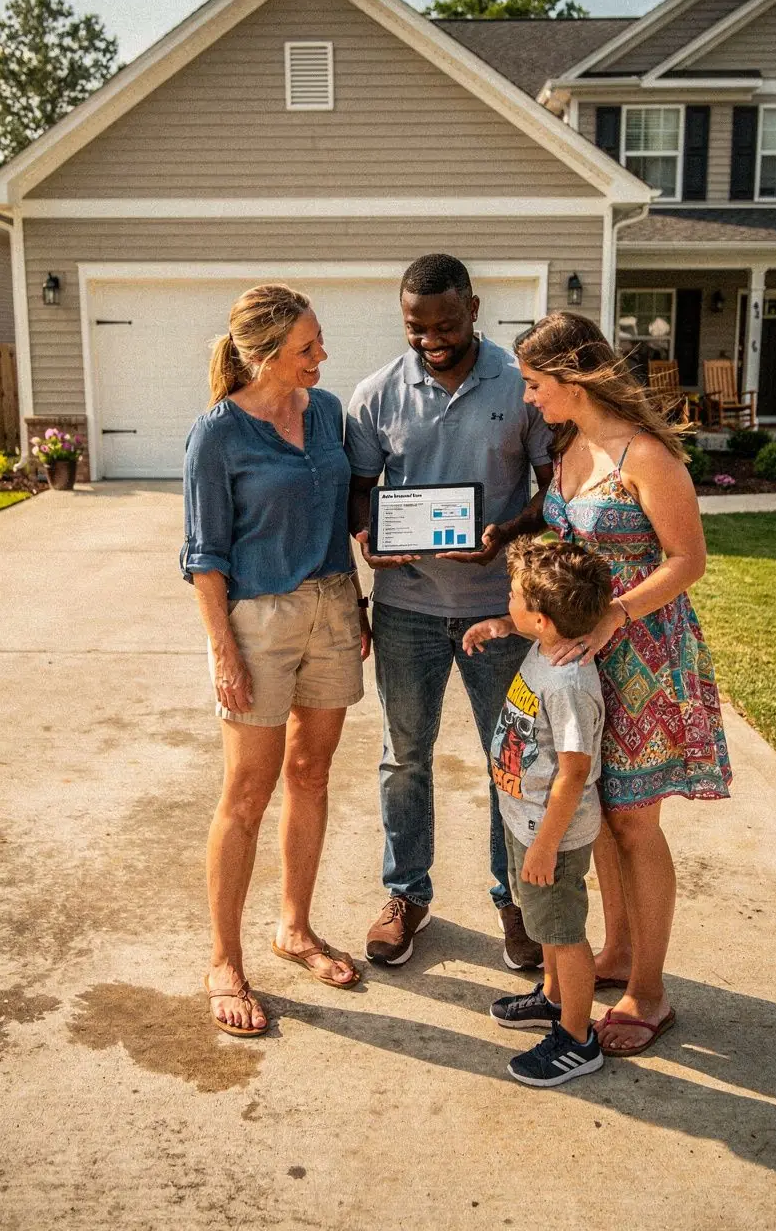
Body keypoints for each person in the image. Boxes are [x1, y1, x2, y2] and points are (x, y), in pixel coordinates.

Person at [513, 310, 731, 1055]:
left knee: (637, 823)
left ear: (573, 380)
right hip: (584, 664)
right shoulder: (570, 447)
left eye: (536, 384)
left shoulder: (648, 456)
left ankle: (651, 990)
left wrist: (616, 616)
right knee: (600, 815)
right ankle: (614, 953)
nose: (529, 398)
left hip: (642, 657)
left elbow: (687, 560)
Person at [345, 253, 553, 969]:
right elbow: (360, 493)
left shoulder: (519, 385)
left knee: (511, 762)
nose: (430, 338)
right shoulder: (374, 395)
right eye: (414, 325)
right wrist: (369, 540)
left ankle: (515, 903)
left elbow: (552, 490)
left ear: (473, 307)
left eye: (443, 323)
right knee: (404, 758)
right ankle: (406, 894)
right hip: (406, 610)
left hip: (501, 613)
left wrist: (507, 534)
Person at [181, 283, 371, 1036]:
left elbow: (343, 514)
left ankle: (294, 927)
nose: (322, 356)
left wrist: (354, 603)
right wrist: (223, 649)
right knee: (247, 792)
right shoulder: (218, 433)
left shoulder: (326, 413)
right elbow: (204, 556)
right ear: (262, 356)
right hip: (257, 619)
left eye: (319, 341)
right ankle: (225, 959)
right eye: (306, 348)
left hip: (330, 605)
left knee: (313, 772)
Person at [464, 538, 611, 1087]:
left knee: (564, 931)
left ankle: (578, 1037)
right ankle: (552, 996)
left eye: (515, 597)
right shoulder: (549, 648)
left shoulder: (570, 681)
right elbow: (527, 624)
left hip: (553, 833)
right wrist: (504, 625)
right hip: (524, 818)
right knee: (542, 922)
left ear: (544, 619)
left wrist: (548, 844)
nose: (508, 599)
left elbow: (574, 771)